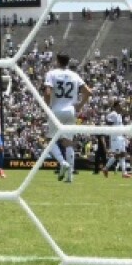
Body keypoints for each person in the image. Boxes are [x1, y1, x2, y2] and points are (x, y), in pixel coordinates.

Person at [43, 53, 91, 183]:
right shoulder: (74, 75)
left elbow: (47, 92)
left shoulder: (51, 74)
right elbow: (88, 92)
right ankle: (70, 176)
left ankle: (62, 162)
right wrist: (80, 105)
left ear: (58, 61)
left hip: (56, 110)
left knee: (50, 140)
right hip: (70, 111)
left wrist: (47, 106)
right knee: (68, 142)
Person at [103, 102, 131, 179]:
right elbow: (108, 121)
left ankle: (123, 172)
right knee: (119, 154)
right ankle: (122, 172)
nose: (122, 106)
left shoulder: (119, 115)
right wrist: (112, 128)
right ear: (116, 106)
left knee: (122, 154)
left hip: (120, 137)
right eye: (120, 105)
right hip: (115, 137)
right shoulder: (113, 114)